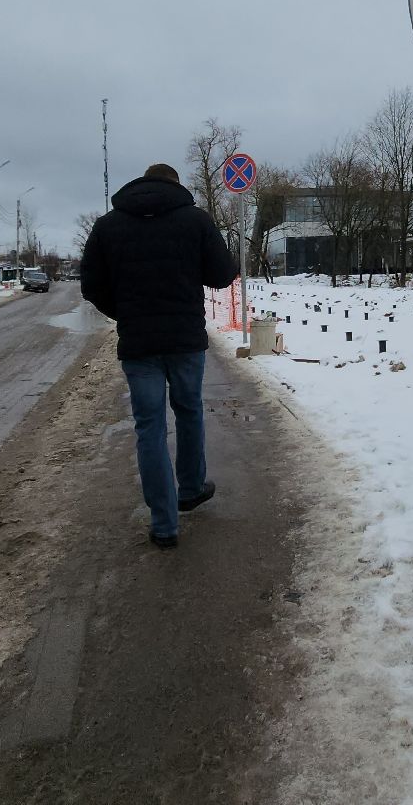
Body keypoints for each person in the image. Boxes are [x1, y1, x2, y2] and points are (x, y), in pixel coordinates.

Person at [81, 162, 239, 548]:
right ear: (176, 186)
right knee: (188, 411)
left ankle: (164, 524)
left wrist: (125, 312)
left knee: (148, 427)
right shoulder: (195, 220)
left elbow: (90, 286)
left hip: (139, 344)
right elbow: (222, 275)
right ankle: (189, 489)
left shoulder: (107, 226)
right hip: (185, 340)